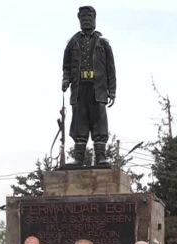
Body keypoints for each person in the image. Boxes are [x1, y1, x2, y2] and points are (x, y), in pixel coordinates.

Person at [62, 5, 116, 166]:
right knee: (80, 120)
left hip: (97, 88)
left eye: (89, 18)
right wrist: (65, 79)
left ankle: (100, 156)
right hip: (79, 88)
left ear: (94, 20)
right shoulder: (72, 43)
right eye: (83, 18)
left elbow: (111, 69)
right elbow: (66, 66)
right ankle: (79, 158)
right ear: (79, 21)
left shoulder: (103, 44)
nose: (86, 21)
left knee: (99, 121)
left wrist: (111, 91)